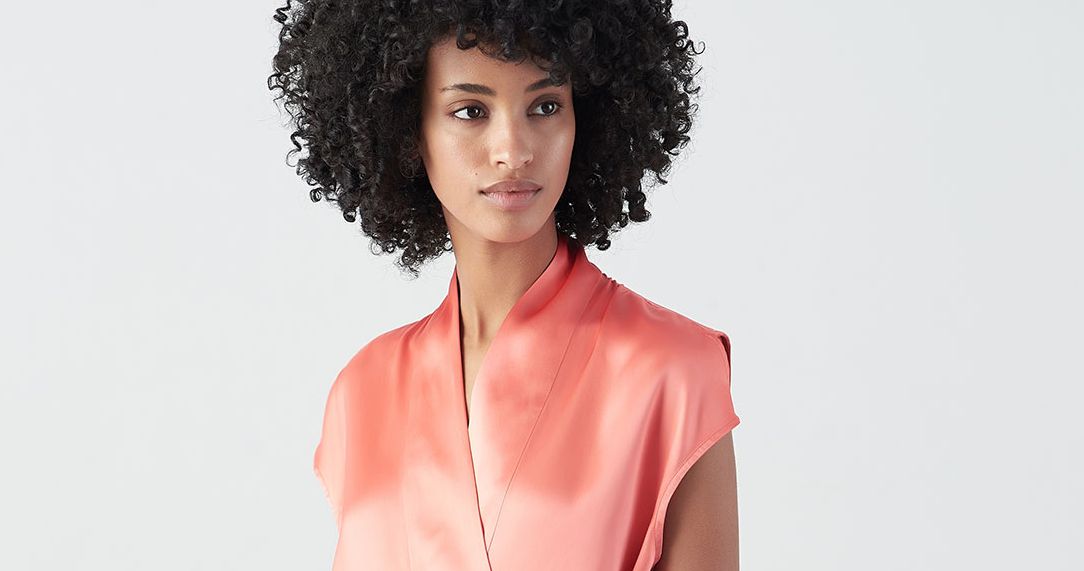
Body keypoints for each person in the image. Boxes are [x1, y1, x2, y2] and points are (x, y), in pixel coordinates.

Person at [269, 1, 740, 569]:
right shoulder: (363, 391)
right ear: (407, 131)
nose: (513, 152)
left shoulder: (671, 371)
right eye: (470, 111)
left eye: (545, 106)